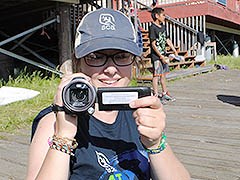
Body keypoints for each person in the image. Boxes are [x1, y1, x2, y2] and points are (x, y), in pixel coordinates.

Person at [26, 8, 190, 180]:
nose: (111, 69)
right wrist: (63, 136)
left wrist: (156, 143)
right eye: (96, 57)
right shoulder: (55, 121)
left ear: (134, 61)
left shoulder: (141, 112)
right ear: (78, 62)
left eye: (122, 56)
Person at [149, 7, 178, 103]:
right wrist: (160, 56)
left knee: (163, 75)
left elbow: (167, 39)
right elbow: (153, 44)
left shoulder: (163, 26)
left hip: (164, 55)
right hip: (157, 56)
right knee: (156, 75)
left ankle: (165, 93)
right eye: (163, 15)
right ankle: (156, 95)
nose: (164, 17)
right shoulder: (152, 28)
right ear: (157, 16)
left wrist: (174, 50)